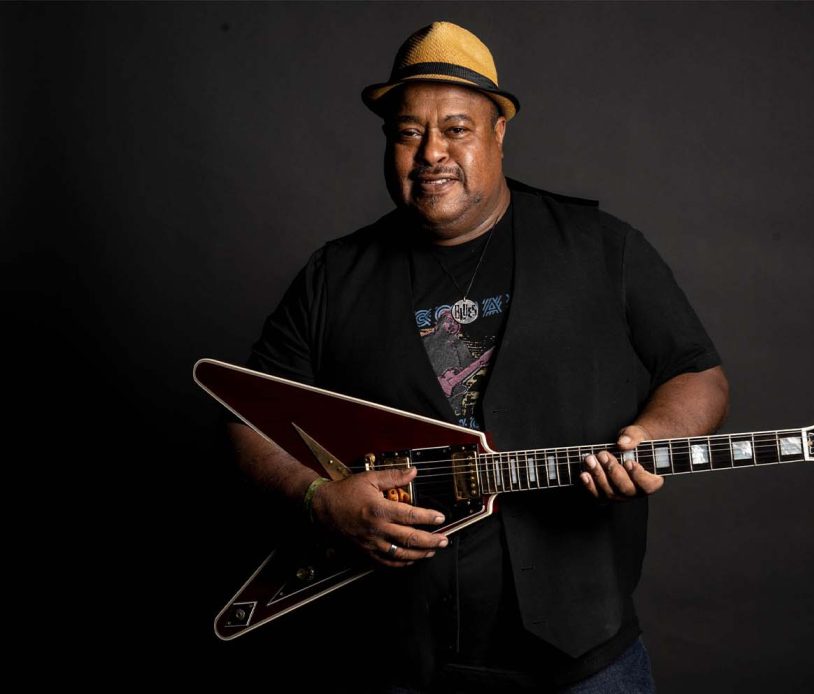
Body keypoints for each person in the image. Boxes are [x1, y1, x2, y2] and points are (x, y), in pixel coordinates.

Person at [226, 21, 728, 692]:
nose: (432, 152)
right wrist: (320, 499)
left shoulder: (603, 248)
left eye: (456, 128)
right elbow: (246, 421)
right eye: (409, 133)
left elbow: (698, 373)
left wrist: (655, 436)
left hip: (584, 662)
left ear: (498, 132)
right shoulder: (333, 277)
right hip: (392, 659)